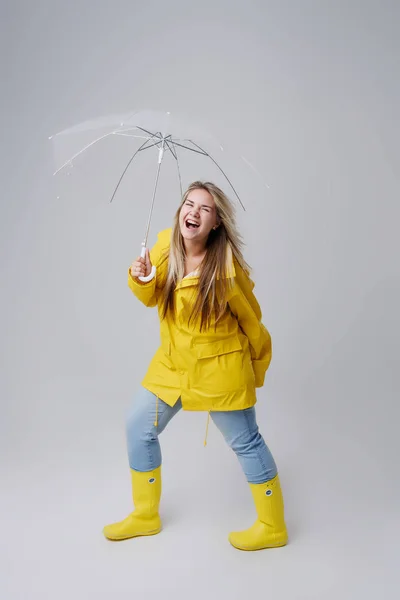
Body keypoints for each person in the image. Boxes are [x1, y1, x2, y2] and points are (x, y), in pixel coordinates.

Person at [103, 181, 288, 551]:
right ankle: (145, 515)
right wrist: (139, 277)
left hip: (220, 369)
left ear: (216, 222)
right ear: (180, 211)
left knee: (246, 441)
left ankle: (272, 526)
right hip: (173, 364)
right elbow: (150, 295)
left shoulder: (226, 269)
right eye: (190, 204)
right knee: (138, 425)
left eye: (205, 209)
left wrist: (254, 367)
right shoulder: (164, 245)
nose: (194, 212)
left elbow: (251, 320)